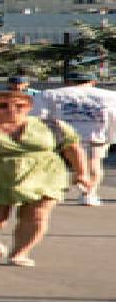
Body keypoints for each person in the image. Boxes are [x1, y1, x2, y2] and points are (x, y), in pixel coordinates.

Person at [0, 90, 92, 267]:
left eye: (19, 106)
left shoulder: (53, 126)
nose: (11, 110)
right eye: (2, 106)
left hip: (44, 175)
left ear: (29, 108)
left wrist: (82, 173)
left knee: (37, 215)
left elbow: (72, 148)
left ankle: (20, 252)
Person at [33, 71, 116, 206]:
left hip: (62, 135)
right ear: (93, 82)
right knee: (94, 163)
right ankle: (88, 193)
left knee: (57, 163)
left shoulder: (50, 94)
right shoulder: (110, 96)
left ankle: (51, 190)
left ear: (68, 82)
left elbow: (38, 116)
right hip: (95, 134)